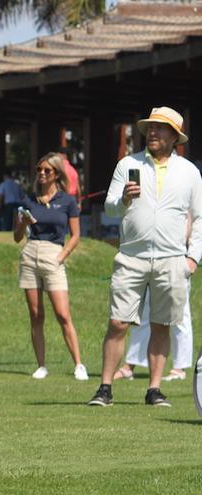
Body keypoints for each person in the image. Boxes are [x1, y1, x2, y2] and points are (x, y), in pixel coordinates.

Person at [88, 106, 202, 407]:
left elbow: (200, 218)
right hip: (132, 256)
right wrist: (124, 198)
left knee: (162, 324)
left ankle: (154, 389)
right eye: (150, 127)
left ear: (175, 137)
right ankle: (105, 388)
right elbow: (110, 207)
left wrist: (193, 259)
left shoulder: (190, 172)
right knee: (118, 323)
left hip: (172, 259)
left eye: (159, 128)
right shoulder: (127, 164)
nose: (152, 132)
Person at [14, 153, 87, 381]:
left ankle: (78, 364)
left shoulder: (67, 201)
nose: (42, 174)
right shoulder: (28, 201)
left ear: (56, 174)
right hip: (30, 253)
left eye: (47, 170)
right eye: (39, 170)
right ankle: (41, 365)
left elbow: (75, 236)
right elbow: (17, 237)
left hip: (53, 253)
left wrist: (61, 256)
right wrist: (23, 224)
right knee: (36, 314)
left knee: (63, 314)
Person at [114, 216, 194, 382]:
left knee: (179, 315)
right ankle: (131, 364)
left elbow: (190, 221)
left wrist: (190, 258)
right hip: (149, 259)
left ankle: (179, 367)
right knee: (144, 314)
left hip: (176, 258)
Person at [59, 147, 83, 211]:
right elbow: (78, 189)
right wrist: (79, 202)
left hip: (62, 199)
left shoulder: (59, 168)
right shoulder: (73, 170)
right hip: (73, 199)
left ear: (61, 155)